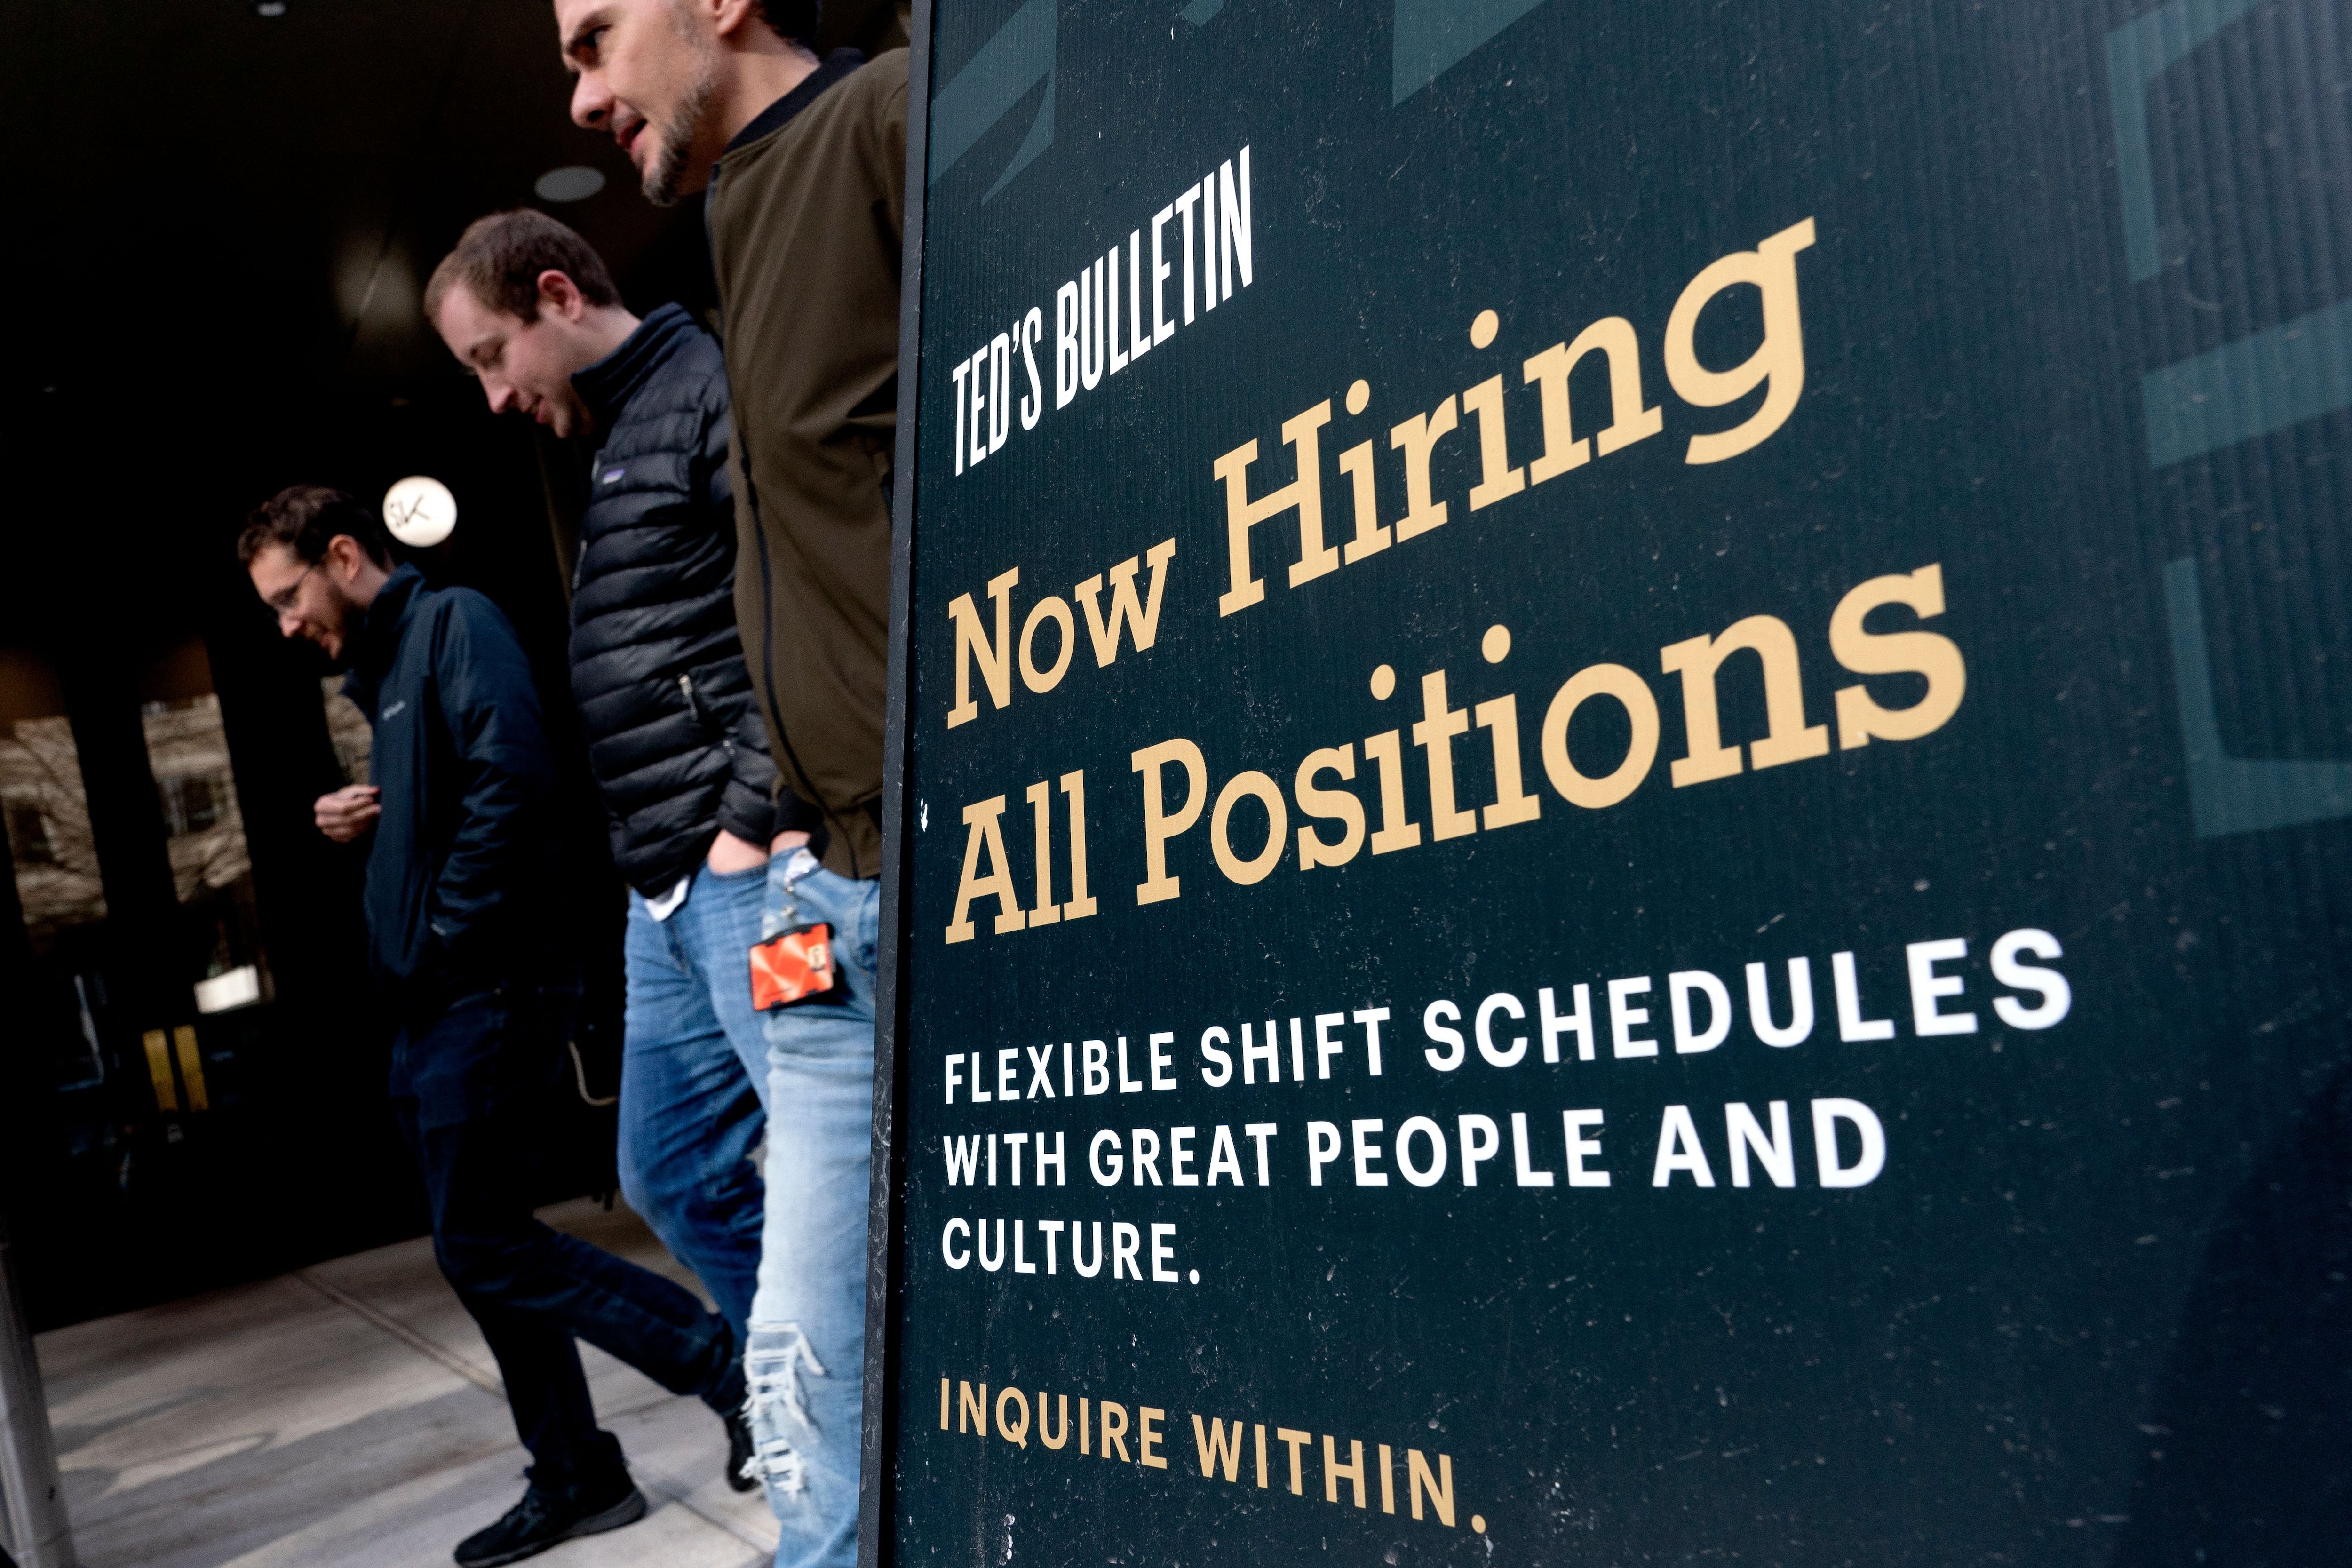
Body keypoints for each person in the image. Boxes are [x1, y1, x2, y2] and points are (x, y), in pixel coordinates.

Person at [552, 2, 905, 1562]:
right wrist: (770, 836)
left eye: (592, 35)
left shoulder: (897, 123)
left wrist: (736, 812)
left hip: (946, 870)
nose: (579, 91)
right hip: (813, 889)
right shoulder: (734, 226)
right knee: (797, 1361)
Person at [239, 487, 747, 1567]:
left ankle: (722, 1366)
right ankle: (576, 1472)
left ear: (342, 553)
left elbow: (515, 786)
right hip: (436, 1003)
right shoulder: (387, 673)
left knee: (484, 1238)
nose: (284, 624)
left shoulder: (455, 622)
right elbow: (446, 805)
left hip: (486, 988)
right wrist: (362, 819)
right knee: (483, 1253)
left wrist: (439, 939)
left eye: (290, 596)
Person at [424, 210, 812, 1499]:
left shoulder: (707, 390)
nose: (494, 395)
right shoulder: (609, 445)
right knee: (665, 1163)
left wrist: (748, 825)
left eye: (492, 357)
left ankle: (840, 1411)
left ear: (553, 297)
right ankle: (799, 1382)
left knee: (823, 1169)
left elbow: (797, 611)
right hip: (662, 891)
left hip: (733, 873)